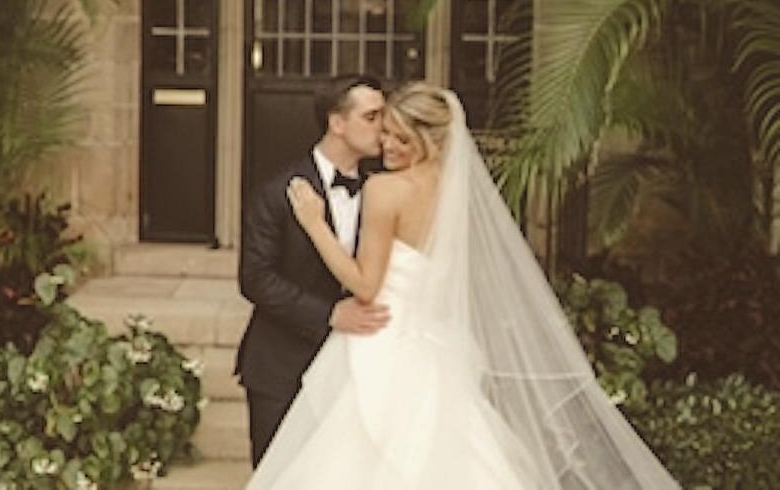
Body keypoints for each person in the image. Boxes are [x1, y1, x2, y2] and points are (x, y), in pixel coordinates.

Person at [247, 82, 681, 489]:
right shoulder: (453, 192)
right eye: (387, 134)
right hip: (436, 348)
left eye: (401, 138)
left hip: (384, 343)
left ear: (430, 140)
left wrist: (315, 224)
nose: (387, 146)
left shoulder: (384, 189)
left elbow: (365, 285)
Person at [235, 74, 392, 468]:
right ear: (337, 123)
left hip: (358, 369)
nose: (384, 127)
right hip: (282, 366)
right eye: (372, 117)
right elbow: (255, 278)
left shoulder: (384, 192)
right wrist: (328, 314)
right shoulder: (277, 191)